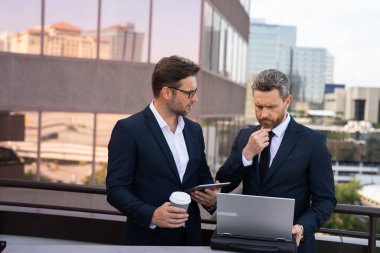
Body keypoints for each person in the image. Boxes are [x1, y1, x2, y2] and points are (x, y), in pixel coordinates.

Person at [215, 69, 336, 253]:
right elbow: (224, 184)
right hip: (246, 243)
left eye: (271, 107)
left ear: (287, 101)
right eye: (258, 106)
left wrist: (302, 227)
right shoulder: (245, 136)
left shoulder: (313, 143)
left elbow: (326, 200)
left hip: (291, 245)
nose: (263, 114)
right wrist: (247, 153)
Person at [106, 55, 218, 246]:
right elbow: (116, 190)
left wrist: (211, 199)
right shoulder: (129, 129)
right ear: (167, 92)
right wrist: (152, 215)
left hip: (190, 240)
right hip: (146, 241)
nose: (195, 98)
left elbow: (203, 178)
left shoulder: (194, 130)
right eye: (190, 93)